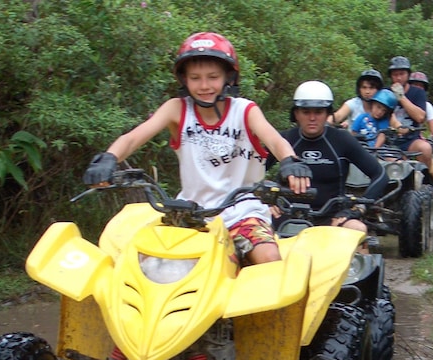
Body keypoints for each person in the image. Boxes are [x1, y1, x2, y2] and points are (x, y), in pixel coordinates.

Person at [81, 32, 311, 267]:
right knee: (144, 265)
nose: (204, 86)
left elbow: (275, 140)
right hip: (190, 215)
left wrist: (290, 162)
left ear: (228, 77)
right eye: (195, 78)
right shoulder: (177, 109)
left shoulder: (245, 110)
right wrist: (109, 159)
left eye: (212, 77)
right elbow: (134, 137)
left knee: (269, 259)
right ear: (184, 80)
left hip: (243, 212)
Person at [274, 81, 387, 247]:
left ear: (328, 113)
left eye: (318, 112)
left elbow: (381, 175)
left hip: (333, 218)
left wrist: (358, 209)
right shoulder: (283, 140)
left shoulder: (342, 139)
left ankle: (357, 272)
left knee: (358, 230)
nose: (312, 118)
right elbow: (252, 171)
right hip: (286, 216)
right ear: (296, 114)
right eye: (306, 112)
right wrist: (267, 202)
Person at [385, 56, 433, 189]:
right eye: (395, 74)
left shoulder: (417, 93)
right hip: (389, 141)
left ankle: (429, 177)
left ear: (408, 75)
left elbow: (420, 117)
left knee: (426, 148)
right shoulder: (386, 93)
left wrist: (401, 97)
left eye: (402, 74)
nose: (398, 78)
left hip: (411, 140)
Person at [407, 71, 433, 151]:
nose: (418, 88)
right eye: (415, 85)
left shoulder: (426, 105)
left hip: (414, 141)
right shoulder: (399, 100)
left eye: (421, 86)